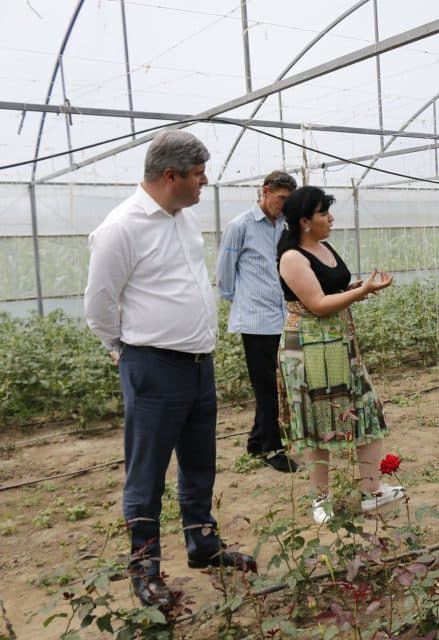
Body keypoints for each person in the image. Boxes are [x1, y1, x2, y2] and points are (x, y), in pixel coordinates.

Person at [84, 130, 256, 611]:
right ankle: (145, 569)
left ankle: (203, 544)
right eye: (198, 174)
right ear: (169, 175)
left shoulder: (183, 218)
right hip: (154, 365)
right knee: (148, 471)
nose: (205, 182)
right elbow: (99, 304)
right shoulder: (123, 227)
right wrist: (125, 349)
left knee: (199, 462)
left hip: (198, 363)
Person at [276, 186, 404, 525]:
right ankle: (321, 500)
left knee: (365, 409)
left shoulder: (324, 247)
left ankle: (371, 491)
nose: (331, 218)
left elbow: (329, 291)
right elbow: (316, 305)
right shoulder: (292, 257)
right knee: (318, 421)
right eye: (323, 213)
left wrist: (354, 290)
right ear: (304, 221)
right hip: (310, 347)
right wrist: (362, 291)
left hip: (339, 343)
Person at [216, 170, 300, 473]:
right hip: (255, 320)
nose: (284, 205)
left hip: (281, 316)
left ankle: (255, 441)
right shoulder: (241, 226)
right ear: (264, 192)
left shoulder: (285, 227)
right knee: (266, 387)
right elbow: (225, 274)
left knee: (278, 383)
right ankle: (272, 449)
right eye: (280, 199)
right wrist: (242, 303)